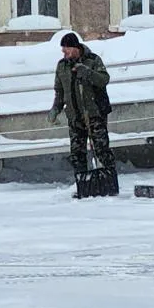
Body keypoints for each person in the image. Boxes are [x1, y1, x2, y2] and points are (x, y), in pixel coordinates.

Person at [49, 32, 116, 197]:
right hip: (75, 117)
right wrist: (55, 108)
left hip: (94, 114)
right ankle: (83, 185)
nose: (64, 53)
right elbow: (60, 91)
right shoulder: (62, 66)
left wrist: (87, 73)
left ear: (75, 47)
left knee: (102, 150)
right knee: (77, 154)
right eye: (63, 50)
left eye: (66, 49)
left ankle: (109, 183)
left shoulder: (93, 60)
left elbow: (104, 79)